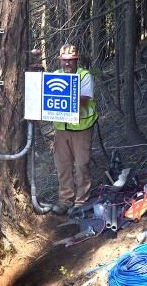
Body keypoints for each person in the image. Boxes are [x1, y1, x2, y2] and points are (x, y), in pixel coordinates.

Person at [52, 44, 98, 215]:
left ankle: (81, 202)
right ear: (60, 61)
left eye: (70, 60)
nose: (67, 64)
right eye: (64, 61)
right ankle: (65, 200)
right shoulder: (55, 76)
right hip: (61, 129)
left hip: (82, 129)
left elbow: (83, 101)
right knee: (63, 166)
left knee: (81, 166)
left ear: (76, 59)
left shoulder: (84, 76)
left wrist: (62, 100)